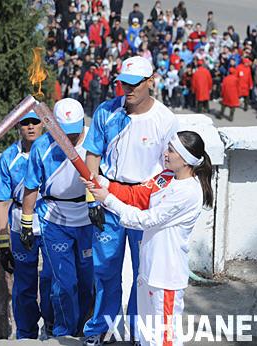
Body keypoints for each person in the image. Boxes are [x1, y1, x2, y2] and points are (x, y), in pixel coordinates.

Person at [82, 56, 178, 345]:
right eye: (123, 83)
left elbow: (170, 168)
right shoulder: (106, 112)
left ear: (151, 81)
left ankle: (139, 333)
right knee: (106, 271)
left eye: (135, 84)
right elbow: (93, 156)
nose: (128, 88)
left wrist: (154, 199)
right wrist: (92, 199)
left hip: (144, 203)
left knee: (143, 274)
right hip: (109, 199)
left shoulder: (166, 119)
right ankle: (102, 329)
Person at [84, 131, 213, 346]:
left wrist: (107, 200)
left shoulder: (189, 192)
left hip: (166, 276)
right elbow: (137, 195)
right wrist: (104, 183)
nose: (166, 152)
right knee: (146, 336)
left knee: (164, 339)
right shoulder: (166, 177)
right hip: (148, 270)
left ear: (185, 159)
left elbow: (146, 220)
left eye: (171, 150)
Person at [22, 98, 94, 337]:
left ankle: (85, 329)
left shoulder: (93, 141)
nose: (70, 139)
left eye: (75, 132)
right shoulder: (42, 147)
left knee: (86, 281)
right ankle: (64, 332)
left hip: (88, 220)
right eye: (65, 133)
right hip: (55, 220)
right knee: (65, 282)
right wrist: (26, 222)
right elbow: (31, 187)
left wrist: (100, 205)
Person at [0, 111, 53, 339]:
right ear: (18, 126)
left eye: (35, 122)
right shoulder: (9, 157)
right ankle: (26, 334)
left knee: (51, 280)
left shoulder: (54, 152)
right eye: (25, 123)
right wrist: (3, 242)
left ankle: (53, 328)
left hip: (50, 220)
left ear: (43, 124)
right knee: (24, 284)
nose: (31, 127)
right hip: (19, 224)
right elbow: (0, 201)